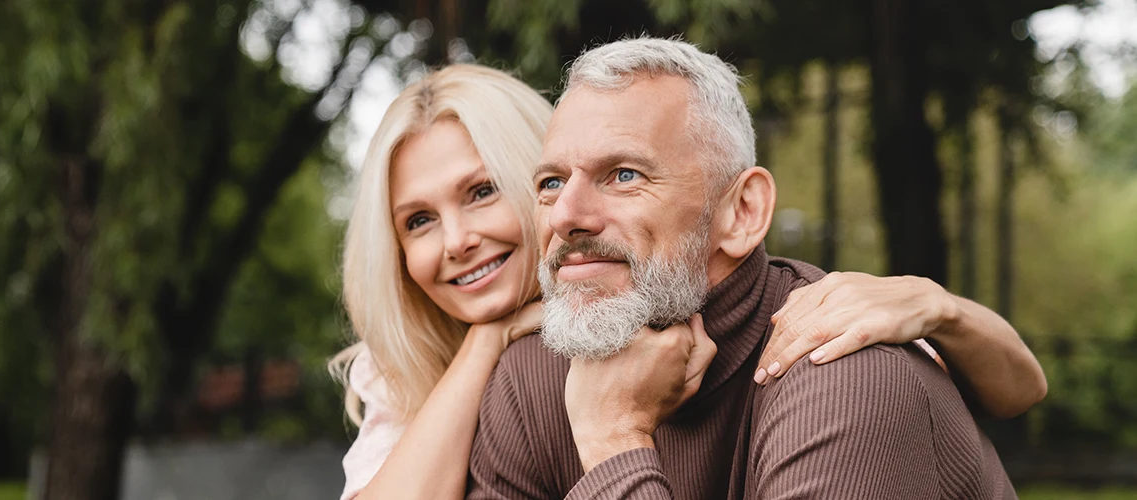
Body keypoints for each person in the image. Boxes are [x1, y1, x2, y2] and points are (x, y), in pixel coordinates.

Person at [335, 64, 1043, 500]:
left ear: (742, 211)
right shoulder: (515, 375)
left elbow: (1018, 389)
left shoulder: (834, 360)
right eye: (418, 220)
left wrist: (938, 305)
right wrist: (488, 344)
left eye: (624, 174)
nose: (458, 240)